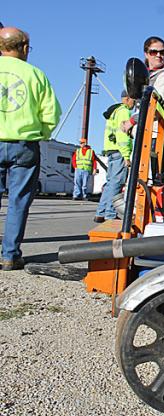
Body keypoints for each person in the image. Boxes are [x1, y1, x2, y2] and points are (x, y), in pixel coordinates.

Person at [0, 27, 61, 270]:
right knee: (18, 201)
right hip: (24, 145)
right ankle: (9, 255)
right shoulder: (36, 75)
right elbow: (51, 113)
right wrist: (42, 134)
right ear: (24, 47)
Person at [122, 36, 164, 157]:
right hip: (144, 136)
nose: (159, 55)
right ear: (146, 54)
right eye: (154, 52)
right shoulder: (146, 77)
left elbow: (155, 109)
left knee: (149, 176)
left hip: (155, 137)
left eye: (162, 52)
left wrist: (131, 122)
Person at [95, 91, 134, 222]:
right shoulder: (124, 112)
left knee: (110, 184)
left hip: (111, 151)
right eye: (134, 100)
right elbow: (123, 136)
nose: (135, 104)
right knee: (117, 184)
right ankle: (110, 214)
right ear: (127, 99)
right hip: (120, 152)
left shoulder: (114, 112)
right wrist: (127, 156)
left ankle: (101, 212)